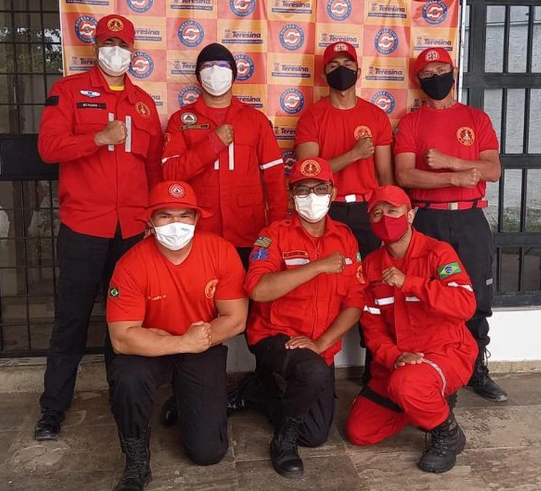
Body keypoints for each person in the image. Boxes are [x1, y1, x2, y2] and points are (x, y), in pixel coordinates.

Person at [35, 13, 163, 440]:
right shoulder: (67, 91)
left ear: (133, 52)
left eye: (123, 44)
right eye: (108, 43)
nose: (116, 51)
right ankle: (52, 410)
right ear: (95, 47)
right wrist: (96, 139)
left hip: (130, 230)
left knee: (123, 321)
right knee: (70, 321)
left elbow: (153, 170)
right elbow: (48, 148)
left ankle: (122, 401)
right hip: (84, 226)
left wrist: (151, 221)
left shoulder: (144, 104)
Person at [105, 181, 248, 491]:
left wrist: (198, 341)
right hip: (154, 350)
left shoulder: (220, 251)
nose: (176, 224)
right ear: (150, 222)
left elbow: (236, 319)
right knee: (126, 376)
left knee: (208, 453)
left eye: (184, 216)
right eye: (165, 216)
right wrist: (181, 341)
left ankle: (184, 402)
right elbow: (121, 338)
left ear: (196, 220)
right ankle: (136, 462)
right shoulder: (130, 265)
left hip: (203, 345)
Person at [393, 47, 507, 402]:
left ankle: (475, 368)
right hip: (428, 217)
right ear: (419, 82)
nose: (435, 78)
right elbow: (405, 174)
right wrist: (455, 178)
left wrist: (448, 162)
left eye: (441, 69)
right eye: (427, 74)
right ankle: (437, 368)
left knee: (474, 295)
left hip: (470, 217)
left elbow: (492, 170)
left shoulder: (476, 119)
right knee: (430, 293)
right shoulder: (411, 123)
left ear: (453, 71)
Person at [244, 158, 365, 479]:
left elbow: (355, 300)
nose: (312, 197)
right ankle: (282, 441)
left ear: (333, 192)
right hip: (273, 335)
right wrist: (316, 266)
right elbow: (257, 290)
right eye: (303, 190)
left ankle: (258, 392)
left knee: (314, 436)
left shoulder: (346, 238)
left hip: (317, 342)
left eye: (320, 189)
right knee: (310, 371)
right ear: (291, 195)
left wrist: (322, 342)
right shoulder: (273, 235)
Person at [344, 185, 477, 473]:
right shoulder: (370, 267)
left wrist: (411, 283)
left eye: (393, 211)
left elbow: (465, 305)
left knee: (407, 385)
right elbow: (372, 326)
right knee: (360, 432)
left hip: (445, 352)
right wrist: (394, 358)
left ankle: (447, 434)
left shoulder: (438, 253)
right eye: (377, 213)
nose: (385, 218)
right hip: (398, 362)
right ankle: (424, 401)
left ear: (411, 215)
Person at [162, 42, 288, 262]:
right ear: (199, 76)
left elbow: (275, 178)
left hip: (249, 232)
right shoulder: (181, 120)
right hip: (199, 231)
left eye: (222, 65)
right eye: (208, 65)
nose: (215, 70)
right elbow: (170, 174)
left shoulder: (255, 120)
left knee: (246, 293)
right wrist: (212, 144)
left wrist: (276, 228)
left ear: (234, 74)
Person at [295, 41, 394, 257]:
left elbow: (385, 176)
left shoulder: (376, 116)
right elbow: (308, 173)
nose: (341, 70)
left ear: (358, 72)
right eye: (334, 66)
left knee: (369, 276)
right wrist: (354, 154)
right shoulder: (312, 117)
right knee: (329, 278)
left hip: (366, 209)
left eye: (347, 65)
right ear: (324, 75)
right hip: (325, 207)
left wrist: (387, 215)